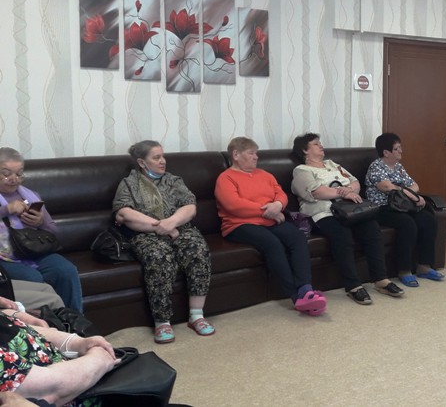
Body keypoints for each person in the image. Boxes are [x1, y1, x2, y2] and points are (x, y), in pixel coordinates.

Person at [113, 140, 214, 344]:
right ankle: (162, 322)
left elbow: (190, 207)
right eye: (156, 157)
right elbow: (124, 214)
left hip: (180, 228)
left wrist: (172, 222)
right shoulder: (129, 184)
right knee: (159, 256)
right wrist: (162, 226)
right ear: (142, 162)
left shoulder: (173, 180)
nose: (163, 161)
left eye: (163, 156)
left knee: (197, 249)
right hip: (146, 234)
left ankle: (196, 315)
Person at [215, 137, 326, 316]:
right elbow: (233, 205)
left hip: (271, 220)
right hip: (239, 225)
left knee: (297, 237)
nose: (256, 157)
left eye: (256, 153)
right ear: (236, 155)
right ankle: (296, 296)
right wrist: (269, 211)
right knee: (272, 243)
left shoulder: (265, 174)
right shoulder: (226, 178)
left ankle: (306, 289)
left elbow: (280, 194)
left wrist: (278, 205)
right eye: (251, 153)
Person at [291, 133, 404, 305]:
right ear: (304, 150)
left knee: (372, 228)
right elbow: (316, 192)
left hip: (350, 210)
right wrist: (343, 192)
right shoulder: (302, 170)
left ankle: (381, 280)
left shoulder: (333, 165)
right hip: (324, 213)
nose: (321, 146)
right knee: (342, 235)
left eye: (320, 143)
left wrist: (350, 190)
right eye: (315, 144)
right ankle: (353, 286)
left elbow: (355, 182)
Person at [0, 147, 83, 312]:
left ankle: (75, 321)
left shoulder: (30, 195)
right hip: (4, 259)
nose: (14, 179)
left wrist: (40, 222)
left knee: (66, 270)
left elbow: (53, 231)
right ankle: (45, 325)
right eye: (6, 173)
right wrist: (6, 210)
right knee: (32, 278)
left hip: (34, 250)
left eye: (19, 173)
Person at [365, 133, 444, 287]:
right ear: (386, 152)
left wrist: (407, 192)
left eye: (400, 147)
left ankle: (424, 266)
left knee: (428, 219)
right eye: (397, 149)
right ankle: (404, 270)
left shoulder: (398, 167)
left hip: (402, 206)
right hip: (382, 208)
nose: (401, 151)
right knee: (407, 224)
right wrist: (412, 195)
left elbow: (415, 185)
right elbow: (387, 187)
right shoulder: (376, 167)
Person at [0, 310, 118, 406]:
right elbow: (50, 389)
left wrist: (76, 342)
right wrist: (100, 359)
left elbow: (18, 328)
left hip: (92, 379)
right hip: (85, 393)